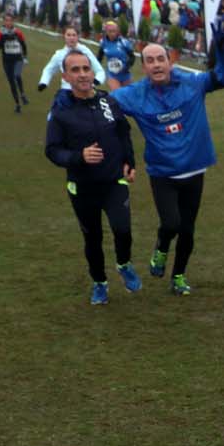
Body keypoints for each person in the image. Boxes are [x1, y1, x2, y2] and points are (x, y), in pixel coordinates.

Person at [107, 29, 224, 296]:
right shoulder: (133, 95)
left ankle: (178, 276)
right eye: (150, 61)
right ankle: (162, 246)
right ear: (143, 67)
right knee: (171, 224)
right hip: (163, 173)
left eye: (160, 59)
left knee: (188, 230)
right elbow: (102, 105)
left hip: (194, 169)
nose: (156, 64)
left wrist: (223, 49)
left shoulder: (193, 83)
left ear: (170, 62)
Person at [44, 51, 141, 305]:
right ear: (65, 76)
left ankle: (123, 263)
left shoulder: (108, 102)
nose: (83, 74)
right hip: (83, 187)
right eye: (75, 70)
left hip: (113, 182)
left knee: (123, 229)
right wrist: (79, 156)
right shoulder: (61, 111)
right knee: (93, 238)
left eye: (86, 68)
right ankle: (99, 283)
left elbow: (123, 132)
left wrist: (130, 162)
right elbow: (52, 150)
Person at [39, 25, 103, 92]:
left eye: (74, 35)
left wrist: (96, 81)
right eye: (68, 35)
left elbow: (99, 70)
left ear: (78, 37)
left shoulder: (85, 51)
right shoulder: (59, 54)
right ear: (64, 36)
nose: (71, 38)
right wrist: (44, 82)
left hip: (84, 90)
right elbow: (49, 70)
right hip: (67, 90)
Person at [0, 13, 29, 113]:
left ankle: (22, 94)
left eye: (10, 20)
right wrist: (3, 38)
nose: (8, 23)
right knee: (11, 81)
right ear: (3, 22)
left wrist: (25, 56)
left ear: (13, 21)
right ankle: (17, 104)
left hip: (18, 59)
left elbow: (23, 44)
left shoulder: (18, 32)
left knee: (17, 75)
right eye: (6, 20)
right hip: (7, 60)